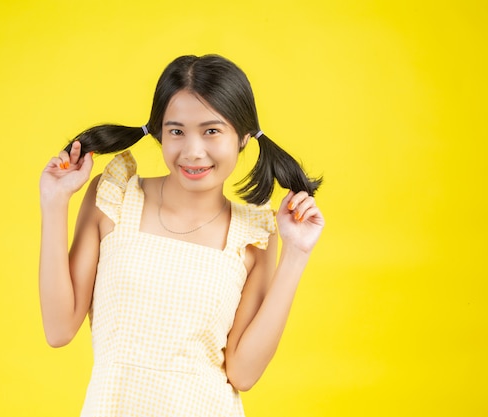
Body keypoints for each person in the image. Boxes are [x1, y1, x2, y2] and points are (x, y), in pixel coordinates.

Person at [39, 54, 324, 416]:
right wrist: (54, 201)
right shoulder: (115, 197)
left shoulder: (253, 234)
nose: (193, 151)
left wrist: (296, 253)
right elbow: (59, 329)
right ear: (159, 132)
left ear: (244, 138)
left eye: (211, 131)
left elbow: (243, 373)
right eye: (176, 131)